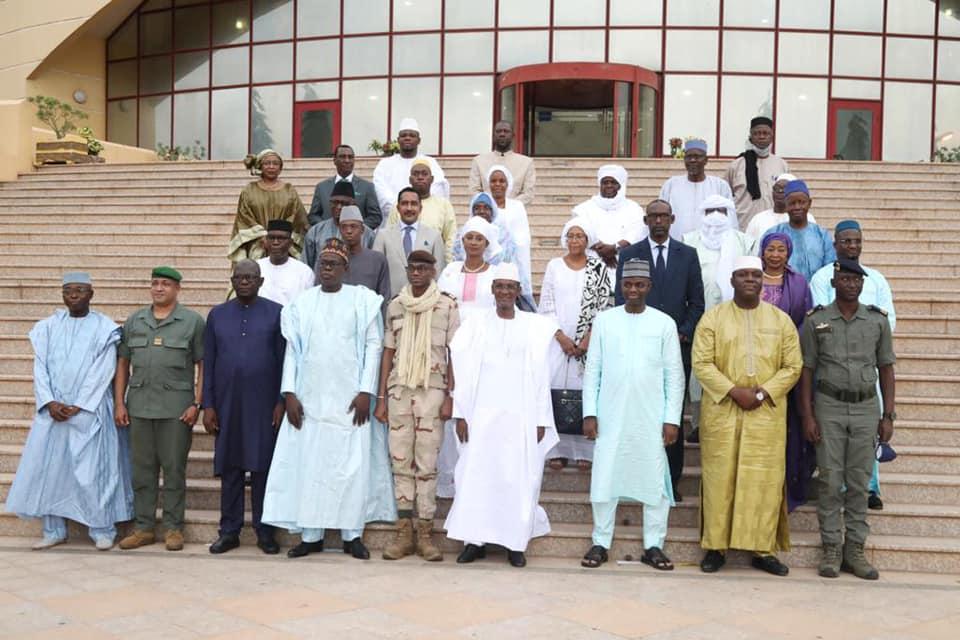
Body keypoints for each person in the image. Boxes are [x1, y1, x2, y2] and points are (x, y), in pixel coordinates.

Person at [261, 239, 396, 559]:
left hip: (351, 401)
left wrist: (366, 392)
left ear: (345, 269)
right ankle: (311, 535)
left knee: (352, 466)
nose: (327, 269)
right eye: (323, 264)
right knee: (311, 466)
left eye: (333, 264)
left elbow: (373, 347)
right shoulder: (302, 303)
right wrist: (289, 393)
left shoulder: (363, 301)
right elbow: (292, 350)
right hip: (310, 400)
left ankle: (352, 534)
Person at [5, 272, 132, 551]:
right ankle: (53, 530)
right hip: (53, 413)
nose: (73, 295)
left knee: (94, 473)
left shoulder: (105, 328)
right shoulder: (47, 328)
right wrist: (49, 402)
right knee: (50, 472)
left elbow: (104, 370)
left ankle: (102, 529)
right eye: (68, 290)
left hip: (90, 411)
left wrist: (80, 404)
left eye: (80, 290)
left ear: (91, 294)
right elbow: (40, 367)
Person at [693, 256, 802, 576]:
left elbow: (793, 366)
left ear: (763, 281)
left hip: (766, 414)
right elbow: (701, 364)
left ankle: (762, 550)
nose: (750, 280)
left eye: (755, 275)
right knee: (719, 479)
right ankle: (716, 548)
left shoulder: (781, 321)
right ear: (732, 281)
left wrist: (763, 392)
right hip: (722, 412)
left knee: (763, 481)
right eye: (743, 275)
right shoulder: (713, 319)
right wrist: (733, 391)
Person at [444, 262, 558, 568]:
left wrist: (541, 419)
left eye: (510, 287)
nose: (505, 292)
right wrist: (461, 414)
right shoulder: (475, 325)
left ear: (518, 291)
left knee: (517, 478)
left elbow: (541, 376)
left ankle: (515, 543)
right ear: (492, 290)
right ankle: (473, 541)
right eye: (500, 287)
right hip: (481, 415)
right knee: (476, 475)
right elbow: (461, 369)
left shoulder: (534, 327)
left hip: (521, 416)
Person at [580, 258, 685, 571]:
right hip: (610, 413)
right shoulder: (604, 321)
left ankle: (654, 545)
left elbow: (674, 375)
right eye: (628, 284)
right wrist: (589, 413)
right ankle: (601, 541)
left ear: (649, 286)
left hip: (651, 415)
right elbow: (593, 370)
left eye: (640, 284)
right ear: (620, 286)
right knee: (604, 475)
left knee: (654, 478)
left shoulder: (664, 323)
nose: (633, 290)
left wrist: (672, 419)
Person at [800, 258, 896, 580]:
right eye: (845, 279)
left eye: (856, 280)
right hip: (828, 407)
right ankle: (831, 548)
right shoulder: (816, 320)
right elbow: (806, 370)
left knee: (858, 482)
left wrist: (888, 416)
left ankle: (854, 549)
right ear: (834, 282)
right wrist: (807, 416)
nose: (851, 284)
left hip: (866, 408)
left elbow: (886, 369)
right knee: (829, 481)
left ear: (863, 284)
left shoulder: (877, 321)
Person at [374, 250, 460, 562]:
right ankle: (403, 533)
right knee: (400, 462)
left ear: (433, 271)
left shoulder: (447, 305)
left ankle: (425, 533)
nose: (417, 273)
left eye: (423, 268)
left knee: (427, 464)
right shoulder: (396, 305)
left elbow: (454, 352)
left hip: (432, 392)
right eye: (412, 268)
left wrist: (451, 396)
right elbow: (388, 351)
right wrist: (381, 397)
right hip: (399, 391)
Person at [616, 200, 704, 499]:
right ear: (645, 220)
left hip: (677, 348)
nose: (658, 221)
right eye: (653, 216)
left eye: (663, 216)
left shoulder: (688, 255)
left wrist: (682, 333)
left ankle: (671, 482)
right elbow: (621, 299)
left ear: (672, 219)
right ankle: (635, 479)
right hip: (638, 349)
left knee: (671, 415)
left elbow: (697, 302)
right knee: (637, 414)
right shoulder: (630, 254)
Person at [115, 267, 205, 552]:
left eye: (165, 284)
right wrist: (119, 402)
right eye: (154, 283)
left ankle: (173, 528)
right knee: (142, 472)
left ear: (177, 289)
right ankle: (143, 528)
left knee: (174, 470)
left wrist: (197, 403)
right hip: (140, 407)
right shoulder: (135, 320)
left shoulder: (192, 322)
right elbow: (122, 364)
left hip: (176, 410)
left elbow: (203, 365)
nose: (159, 288)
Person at [809, 220, 896, 511]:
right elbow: (822, 321)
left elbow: (888, 321)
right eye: (846, 241)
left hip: (867, 367)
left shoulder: (876, 278)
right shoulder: (822, 278)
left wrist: (865, 340)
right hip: (832, 368)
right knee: (835, 440)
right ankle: (840, 488)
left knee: (867, 434)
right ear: (835, 245)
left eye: (857, 241)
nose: (852, 246)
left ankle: (870, 488)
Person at [203, 260, 285, 555]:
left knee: (263, 468)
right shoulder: (217, 315)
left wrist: (281, 401)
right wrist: (208, 405)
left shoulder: (277, 313)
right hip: (227, 404)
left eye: (251, 277)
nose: (245, 282)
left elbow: (284, 361)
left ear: (261, 282)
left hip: (263, 404)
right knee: (231, 468)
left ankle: (265, 531)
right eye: (239, 277)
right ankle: (229, 531)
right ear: (232, 281)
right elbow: (209, 362)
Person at [538, 218, 613, 471]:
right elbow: (546, 304)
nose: (574, 240)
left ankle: (584, 451)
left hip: (590, 342)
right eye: (570, 235)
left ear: (588, 239)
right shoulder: (554, 266)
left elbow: (604, 305)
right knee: (555, 390)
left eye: (579, 236)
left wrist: (588, 339)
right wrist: (561, 337)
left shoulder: (598, 267)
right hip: (557, 341)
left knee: (586, 391)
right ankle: (557, 451)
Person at [435, 215, 500, 498]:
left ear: (487, 243)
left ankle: (477, 475)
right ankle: (448, 478)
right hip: (450, 346)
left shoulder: (495, 273)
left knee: (476, 408)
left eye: (479, 239)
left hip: (484, 350)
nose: (473, 243)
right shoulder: (450, 271)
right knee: (451, 405)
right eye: (469, 237)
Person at [682, 194, 756, 443]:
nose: (715, 216)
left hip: (734, 317)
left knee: (729, 365)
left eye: (721, 211)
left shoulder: (744, 241)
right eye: (710, 211)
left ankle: (728, 419)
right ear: (702, 215)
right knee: (699, 370)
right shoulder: (689, 240)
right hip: (699, 316)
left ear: (729, 214)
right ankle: (698, 423)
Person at [760, 232, 815, 513]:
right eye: (770, 249)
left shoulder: (799, 283)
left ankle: (788, 488)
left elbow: (806, 321)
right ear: (762, 251)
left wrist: (789, 350)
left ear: (789, 253)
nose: (775, 255)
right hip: (754, 363)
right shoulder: (750, 277)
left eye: (781, 249)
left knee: (790, 428)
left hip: (788, 362)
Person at [452, 193, 534, 310]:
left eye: (486, 208)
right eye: (477, 208)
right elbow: (457, 259)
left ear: (493, 211)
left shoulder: (504, 234)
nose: (481, 211)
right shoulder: (464, 232)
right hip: (466, 282)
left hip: (499, 285)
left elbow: (512, 262)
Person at [229, 150, 308, 263]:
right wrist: (262, 236)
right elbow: (244, 217)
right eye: (267, 163)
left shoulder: (289, 190)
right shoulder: (249, 190)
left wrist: (279, 237)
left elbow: (297, 217)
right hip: (257, 245)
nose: (271, 166)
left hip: (284, 246)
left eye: (275, 163)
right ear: (260, 166)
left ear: (280, 168)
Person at [572, 164, 645, 279]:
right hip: (592, 264)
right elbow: (580, 231)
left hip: (626, 264)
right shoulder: (584, 209)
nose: (609, 185)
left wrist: (615, 248)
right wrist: (603, 252)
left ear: (620, 185)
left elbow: (637, 233)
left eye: (613, 182)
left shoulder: (634, 209)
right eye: (605, 182)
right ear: (600, 185)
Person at [372, 187, 446, 297]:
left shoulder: (434, 236)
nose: (409, 208)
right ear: (398, 208)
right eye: (404, 203)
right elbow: (376, 270)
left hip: (424, 300)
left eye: (414, 204)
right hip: (391, 300)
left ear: (420, 208)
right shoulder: (383, 235)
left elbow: (438, 272)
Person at [374, 117, 449, 218]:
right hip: (393, 219)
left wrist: (417, 210)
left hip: (426, 218)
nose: (407, 138)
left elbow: (438, 190)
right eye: (403, 135)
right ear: (398, 140)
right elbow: (381, 193)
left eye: (412, 135)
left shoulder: (431, 163)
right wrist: (402, 209)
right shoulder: (384, 164)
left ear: (419, 140)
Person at [659, 139, 733, 240]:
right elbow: (660, 214)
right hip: (678, 243)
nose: (693, 160)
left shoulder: (720, 186)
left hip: (710, 244)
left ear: (706, 160)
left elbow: (730, 218)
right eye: (689, 157)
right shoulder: (671, 185)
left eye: (697, 156)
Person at [763, 180, 836, 281]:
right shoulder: (773, 233)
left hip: (816, 289)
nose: (797, 207)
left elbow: (829, 269)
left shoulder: (822, 235)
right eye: (792, 203)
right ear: (785, 204)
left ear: (809, 203)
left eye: (801, 202)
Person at [726, 116, 790, 229]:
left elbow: (789, 195)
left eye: (765, 133)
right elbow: (725, 196)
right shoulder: (736, 165)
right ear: (750, 137)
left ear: (772, 137)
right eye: (757, 133)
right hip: (743, 226)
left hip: (773, 227)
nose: (761, 136)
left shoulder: (781, 165)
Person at [387, 158, 457, 262]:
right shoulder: (398, 206)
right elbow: (389, 237)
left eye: (424, 174)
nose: (420, 177)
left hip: (433, 264)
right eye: (416, 174)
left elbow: (450, 238)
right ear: (410, 180)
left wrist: (448, 264)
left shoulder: (443, 205)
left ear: (432, 179)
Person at [301, 181, 376, 270]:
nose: (339, 207)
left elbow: (374, 265)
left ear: (353, 205)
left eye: (344, 203)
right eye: (335, 202)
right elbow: (305, 266)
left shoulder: (367, 234)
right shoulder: (315, 232)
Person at [307, 144, 381, 228]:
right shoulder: (322, 187)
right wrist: (326, 228)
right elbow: (313, 216)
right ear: (334, 160)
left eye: (350, 157)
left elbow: (375, 217)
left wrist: (355, 229)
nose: (347, 160)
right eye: (342, 157)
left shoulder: (367, 187)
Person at [487, 165, 533, 298]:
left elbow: (523, 238)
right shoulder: (483, 205)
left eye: (502, 181)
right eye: (493, 181)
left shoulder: (517, 206)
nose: (497, 184)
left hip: (513, 261)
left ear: (508, 184)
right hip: (488, 260)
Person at [469, 120, 536, 205]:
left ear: (513, 136)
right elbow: (474, 191)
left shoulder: (526, 163)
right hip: (487, 210)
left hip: (514, 211)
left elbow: (528, 194)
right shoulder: (479, 161)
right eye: (498, 131)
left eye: (506, 131)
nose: (502, 134)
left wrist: (506, 206)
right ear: (493, 135)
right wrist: (491, 206)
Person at [335, 205, 391, 305]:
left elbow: (384, 296)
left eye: (353, 226)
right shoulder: (330, 260)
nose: (349, 231)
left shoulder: (378, 260)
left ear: (362, 230)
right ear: (339, 230)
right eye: (344, 227)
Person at [744, 173, 818, 243]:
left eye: (785, 189)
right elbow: (748, 246)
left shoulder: (807, 218)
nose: (780, 191)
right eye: (777, 188)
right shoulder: (758, 219)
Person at [257, 219, 315, 306]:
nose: (275, 242)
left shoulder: (304, 272)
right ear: (266, 241)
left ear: (290, 242)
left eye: (281, 238)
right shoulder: (256, 267)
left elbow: (308, 304)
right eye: (272, 238)